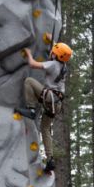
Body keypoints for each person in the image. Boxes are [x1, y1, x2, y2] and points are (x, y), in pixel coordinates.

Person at [16, 42, 72, 172]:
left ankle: (31, 109)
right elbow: (60, 53)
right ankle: (50, 159)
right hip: (56, 104)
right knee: (45, 129)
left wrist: (29, 54)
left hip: (49, 98)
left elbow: (33, 64)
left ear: (56, 55)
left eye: (54, 51)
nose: (51, 52)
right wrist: (54, 45)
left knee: (29, 81)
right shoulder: (63, 66)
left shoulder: (52, 64)